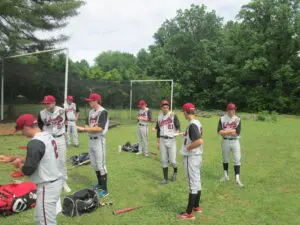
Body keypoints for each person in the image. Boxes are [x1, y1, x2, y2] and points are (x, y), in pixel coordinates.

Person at [15, 114, 63, 225]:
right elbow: (42, 157)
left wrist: (19, 166)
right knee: (39, 219)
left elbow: (28, 169)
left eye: (21, 130)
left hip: (47, 186)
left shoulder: (35, 142)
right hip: (54, 181)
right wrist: (17, 158)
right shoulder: (47, 135)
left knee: (46, 222)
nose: (22, 133)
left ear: (26, 127)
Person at [77, 93, 109, 197]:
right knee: (94, 164)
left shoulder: (102, 112)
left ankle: (105, 190)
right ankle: (99, 184)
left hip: (99, 140)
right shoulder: (91, 112)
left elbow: (100, 128)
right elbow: (87, 123)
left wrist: (86, 129)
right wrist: (88, 127)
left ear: (96, 101)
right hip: (91, 140)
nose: (89, 102)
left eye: (91, 101)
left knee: (101, 165)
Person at [37, 95, 71, 193]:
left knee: (62, 161)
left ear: (54, 103)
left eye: (48, 103)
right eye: (45, 103)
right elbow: (40, 126)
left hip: (60, 138)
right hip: (48, 139)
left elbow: (66, 122)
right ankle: (51, 181)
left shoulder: (62, 111)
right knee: (48, 160)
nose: (46, 105)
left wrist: (65, 134)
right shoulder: (41, 113)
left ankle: (63, 182)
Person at [177, 103, 203, 220]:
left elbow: (199, 141)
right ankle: (196, 206)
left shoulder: (192, 124)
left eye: (184, 111)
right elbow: (193, 136)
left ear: (186, 112)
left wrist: (187, 148)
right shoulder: (196, 122)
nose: (183, 114)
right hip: (197, 156)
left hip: (191, 157)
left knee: (192, 184)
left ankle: (188, 213)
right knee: (197, 181)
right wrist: (183, 134)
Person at [217, 103, 244, 187]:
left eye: (234, 109)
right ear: (228, 110)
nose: (233, 111)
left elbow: (237, 133)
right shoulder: (222, 119)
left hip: (235, 141)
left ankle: (237, 178)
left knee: (237, 159)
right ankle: (226, 176)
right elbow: (219, 131)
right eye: (231, 110)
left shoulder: (237, 119)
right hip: (225, 141)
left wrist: (225, 132)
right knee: (225, 159)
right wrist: (230, 131)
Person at [155, 100, 180, 184]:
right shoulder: (159, 117)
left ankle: (175, 171)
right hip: (162, 140)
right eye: (164, 107)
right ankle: (165, 179)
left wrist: (176, 133)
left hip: (171, 139)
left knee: (172, 160)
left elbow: (178, 127)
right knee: (163, 160)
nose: (166, 108)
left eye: (167, 107)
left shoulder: (173, 115)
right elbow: (158, 130)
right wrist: (158, 142)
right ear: (161, 108)